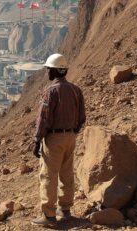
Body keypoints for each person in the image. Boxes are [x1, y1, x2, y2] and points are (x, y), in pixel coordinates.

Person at [31, 53, 86, 228]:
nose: (47, 73)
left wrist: (37, 140)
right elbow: (82, 116)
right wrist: (73, 131)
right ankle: (66, 210)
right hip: (70, 137)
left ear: (54, 71)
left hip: (54, 138)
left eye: (49, 69)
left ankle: (49, 216)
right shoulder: (76, 90)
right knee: (67, 175)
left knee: (48, 176)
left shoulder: (50, 91)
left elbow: (43, 118)